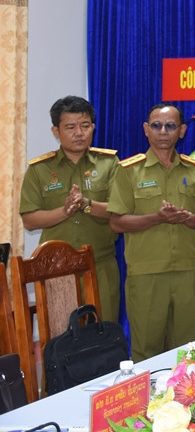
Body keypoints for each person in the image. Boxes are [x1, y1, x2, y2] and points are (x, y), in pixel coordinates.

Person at [108, 103, 195, 360]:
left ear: (182, 130)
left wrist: (186, 218)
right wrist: (156, 218)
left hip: (187, 272)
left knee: (188, 351)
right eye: (156, 125)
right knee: (146, 350)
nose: (163, 131)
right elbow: (116, 222)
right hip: (146, 273)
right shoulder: (128, 171)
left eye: (170, 126)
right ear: (146, 130)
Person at [19, 96, 121, 319]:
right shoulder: (39, 170)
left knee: (103, 334)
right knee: (62, 336)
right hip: (57, 269)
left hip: (100, 265)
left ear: (93, 127)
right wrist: (64, 212)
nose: (79, 133)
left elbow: (119, 211)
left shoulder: (109, 164)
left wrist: (86, 205)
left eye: (85, 126)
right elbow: (29, 219)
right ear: (56, 131)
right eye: (70, 127)